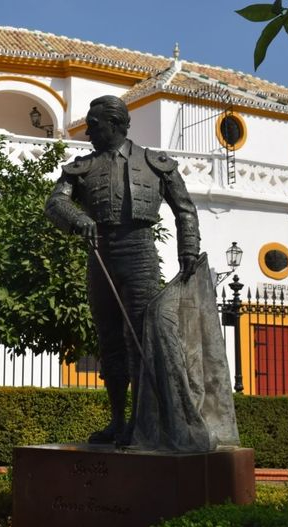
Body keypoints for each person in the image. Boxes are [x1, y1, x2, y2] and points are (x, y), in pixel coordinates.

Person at [45, 95, 200, 447]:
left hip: (139, 250)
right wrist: (78, 218)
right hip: (100, 252)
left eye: (94, 125)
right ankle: (118, 421)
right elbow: (54, 203)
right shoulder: (81, 167)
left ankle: (144, 421)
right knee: (110, 341)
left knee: (141, 337)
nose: (88, 132)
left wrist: (188, 249)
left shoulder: (155, 163)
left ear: (115, 124)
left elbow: (185, 210)